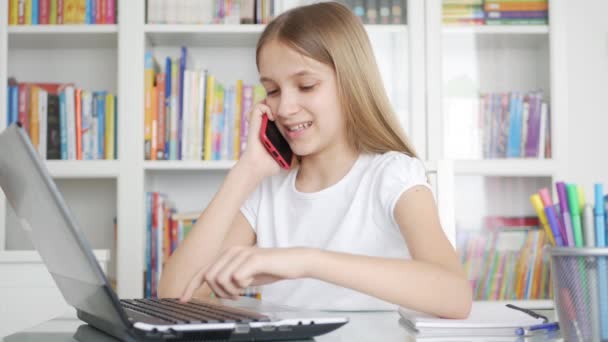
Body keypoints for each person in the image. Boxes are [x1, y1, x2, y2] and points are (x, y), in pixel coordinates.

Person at [159, 2, 472, 319]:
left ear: (352, 83)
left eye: (306, 85)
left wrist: (306, 261)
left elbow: (455, 297)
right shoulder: (267, 188)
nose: (284, 108)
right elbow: (174, 297)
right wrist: (245, 172)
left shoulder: (392, 175)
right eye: (272, 90)